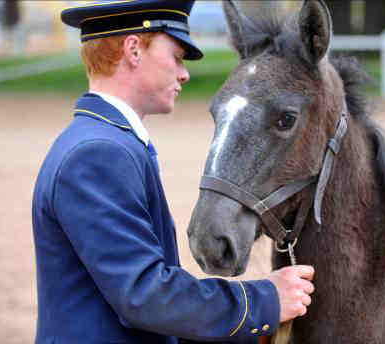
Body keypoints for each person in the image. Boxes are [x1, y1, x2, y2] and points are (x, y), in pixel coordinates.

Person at [32, 1, 315, 343]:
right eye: (177, 57)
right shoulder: (98, 153)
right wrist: (265, 301)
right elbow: (145, 296)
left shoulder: (106, 139)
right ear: (134, 50)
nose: (184, 74)